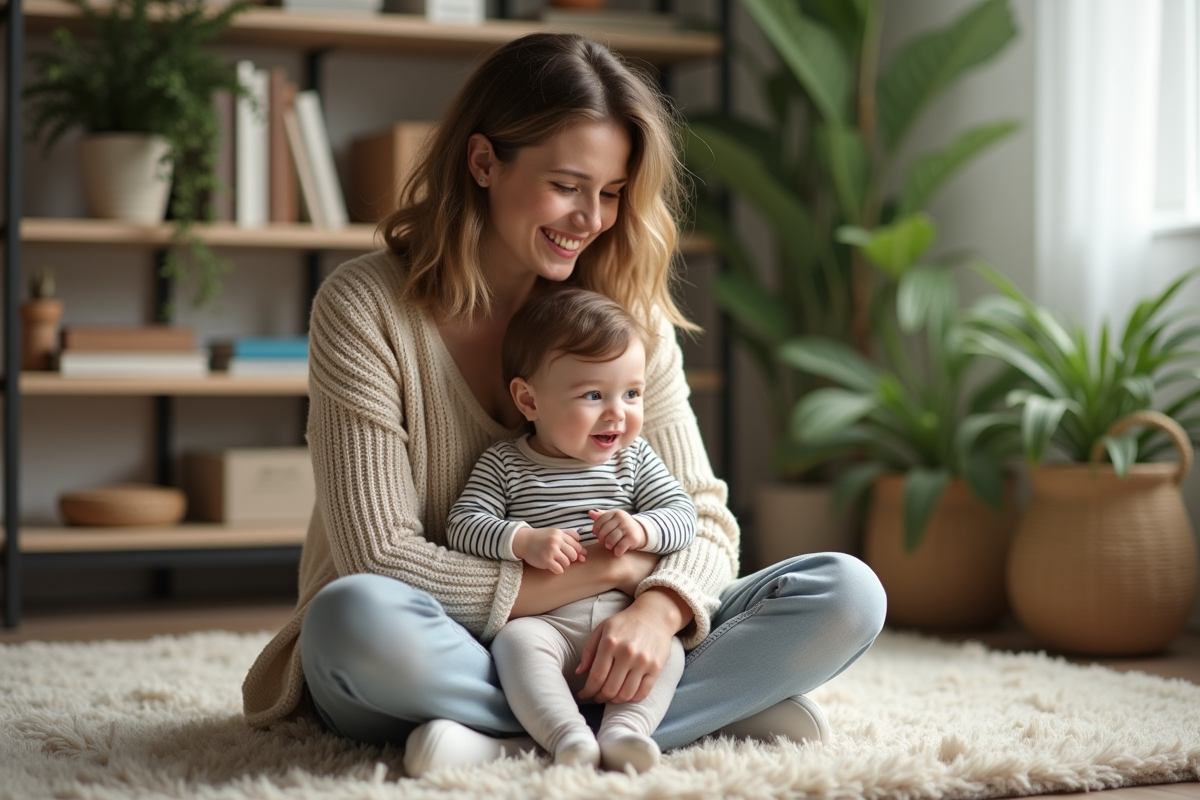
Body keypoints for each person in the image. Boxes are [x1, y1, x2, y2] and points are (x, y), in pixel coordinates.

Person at [240, 31, 888, 778]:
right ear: (484, 163)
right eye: (568, 185)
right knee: (350, 620)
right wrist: (617, 573)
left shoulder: (628, 316)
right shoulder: (365, 308)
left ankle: (502, 738)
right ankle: (681, 715)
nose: (592, 219)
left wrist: (656, 612)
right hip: (441, 639)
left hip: (607, 635)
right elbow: (380, 556)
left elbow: (704, 517)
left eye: (611, 193)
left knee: (848, 594)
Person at [446, 288, 697, 773]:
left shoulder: (635, 459)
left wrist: (642, 528)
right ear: (529, 400)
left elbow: (683, 515)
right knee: (515, 645)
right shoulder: (505, 464)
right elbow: (464, 525)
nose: (617, 412)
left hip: (628, 619)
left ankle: (626, 731)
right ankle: (567, 736)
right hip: (548, 624)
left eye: (632, 393)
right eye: (593, 395)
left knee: (668, 648)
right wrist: (521, 539)